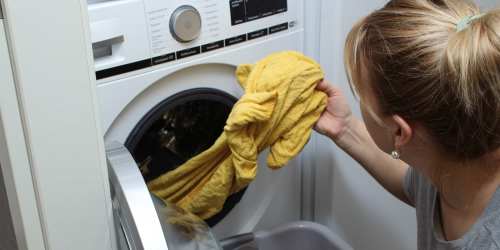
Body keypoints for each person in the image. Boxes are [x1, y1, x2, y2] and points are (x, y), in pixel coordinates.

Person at [315, 0, 500, 249]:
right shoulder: (449, 153)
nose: (357, 100)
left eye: (361, 95)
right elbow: (412, 184)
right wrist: (345, 128)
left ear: (400, 131)